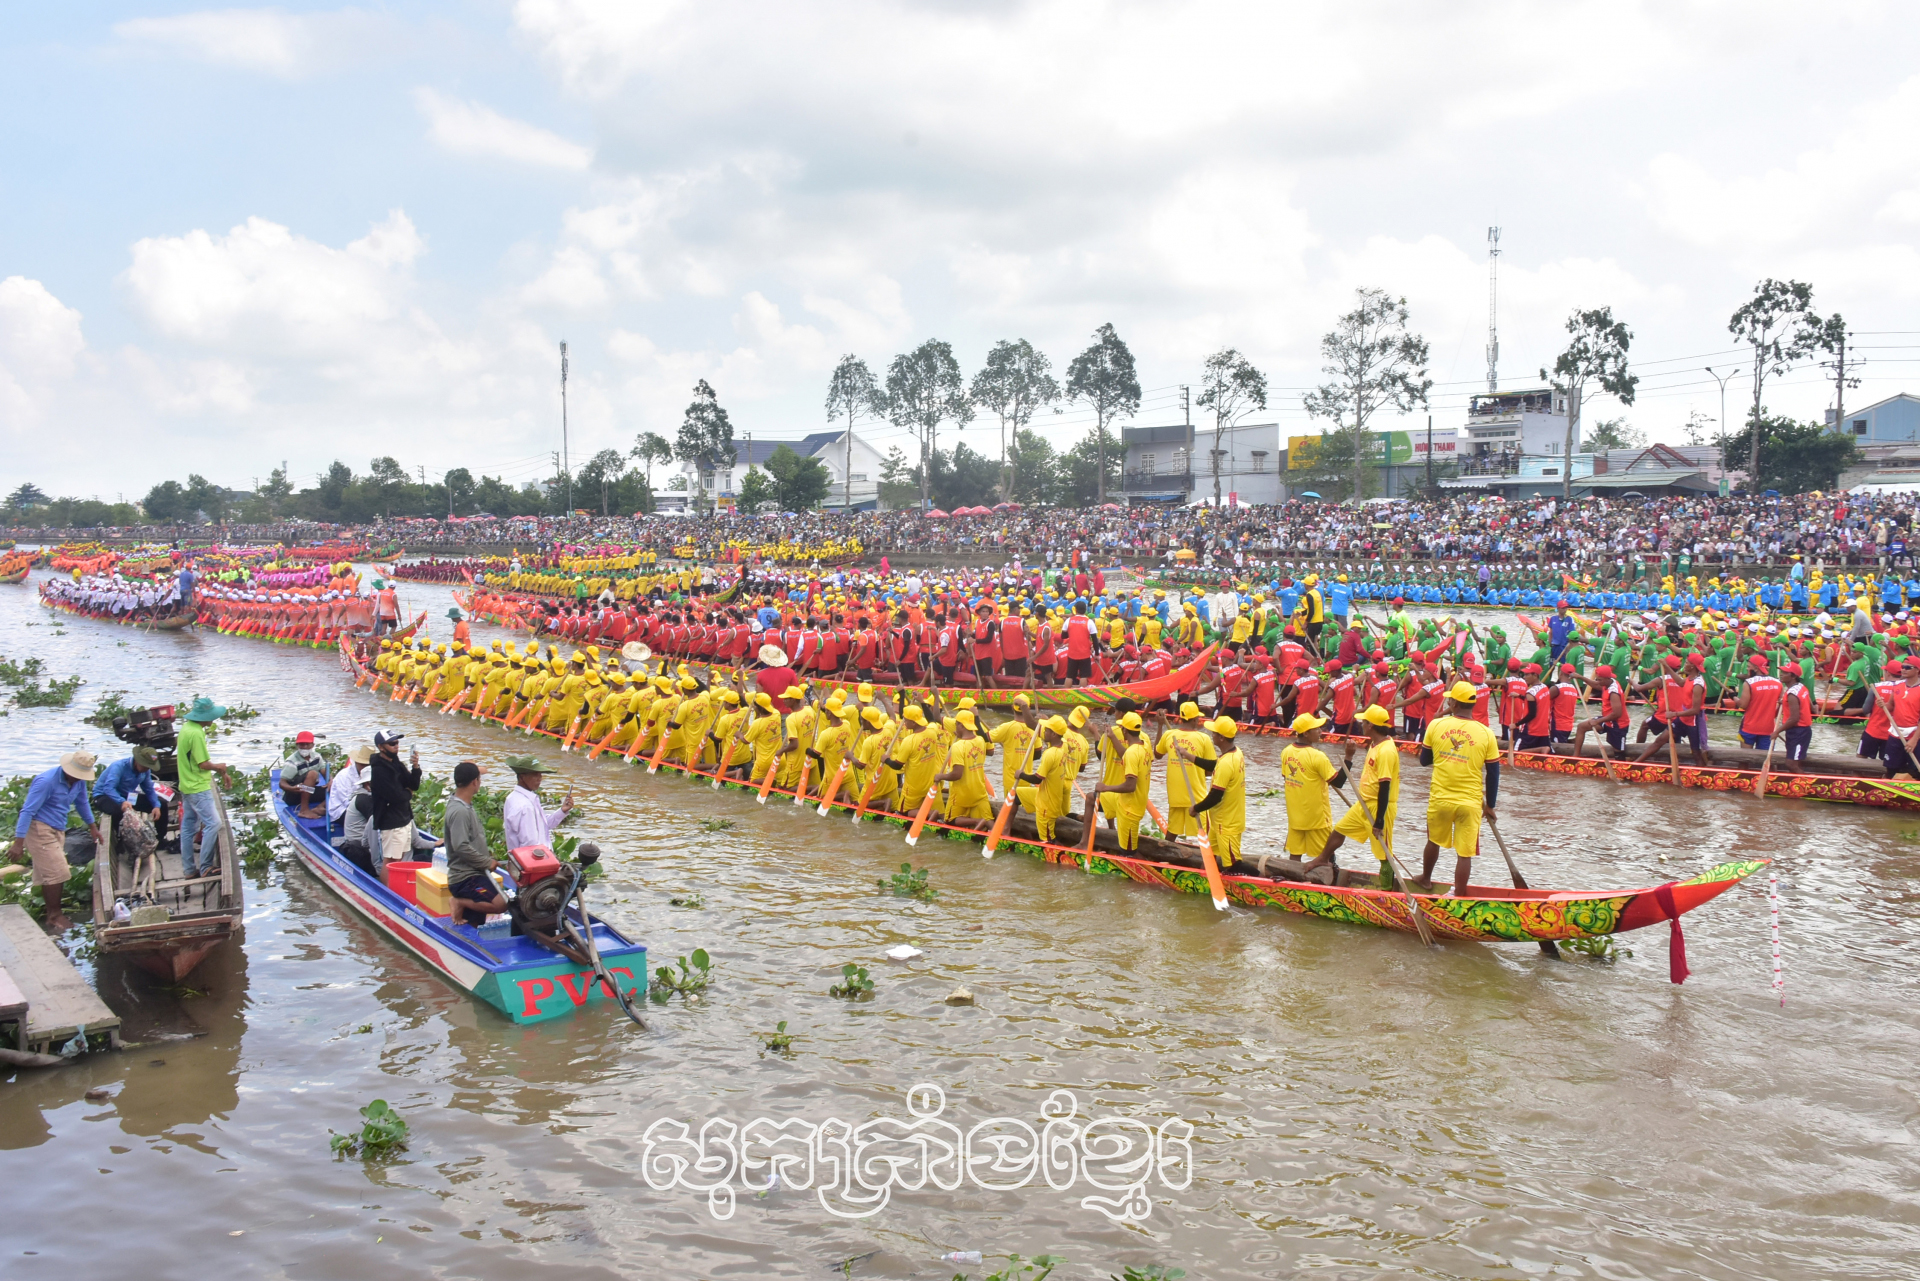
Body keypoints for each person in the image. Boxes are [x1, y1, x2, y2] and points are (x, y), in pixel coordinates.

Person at [1415, 682, 1502, 896]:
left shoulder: (1436, 725)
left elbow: (1424, 761)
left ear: (1453, 702)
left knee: (1433, 841)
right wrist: (1490, 806)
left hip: (1440, 799)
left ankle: (1425, 879)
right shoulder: (1487, 733)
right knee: (1465, 853)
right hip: (1471, 803)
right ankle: (1460, 894)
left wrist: (1445, 755)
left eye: (1449, 699)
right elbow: (1493, 774)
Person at [8, 753, 101, 932]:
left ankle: (51, 913)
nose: (79, 779)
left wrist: (92, 826)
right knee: (58, 871)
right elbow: (27, 811)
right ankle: (54, 915)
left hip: (58, 827)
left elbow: (82, 802)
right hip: (38, 827)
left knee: (48, 873)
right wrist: (18, 843)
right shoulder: (46, 781)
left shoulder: (79, 781)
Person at [1308, 704, 1399, 886]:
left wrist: (1379, 819)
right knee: (1339, 830)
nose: (1361, 725)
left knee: (1384, 853)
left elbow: (1385, 786)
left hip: (1378, 807)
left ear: (1370, 725)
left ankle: (1387, 891)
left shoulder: (1387, 750)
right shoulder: (1374, 745)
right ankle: (1322, 859)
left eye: (1363, 722)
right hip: (1363, 804)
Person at [1279, 713, 1345, 878]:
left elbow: (1287, 777)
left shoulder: (1286, 752)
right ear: (1306, 733)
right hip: (1317, 818)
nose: (1321, 731)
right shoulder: (1317, 756)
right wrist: (1349, 758)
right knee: (1327, 855)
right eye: (1317, 729)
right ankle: (1330, 884)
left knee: (1295, 854)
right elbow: (1339, 782)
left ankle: (1292, 880)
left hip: (1296, 816)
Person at [176, 696, 235, 878]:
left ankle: (188, 869)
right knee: (214, 823)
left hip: (185, 784)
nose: (213, 718)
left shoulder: (187, 728)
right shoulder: (196, 733)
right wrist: (220, 767)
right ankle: (206, 867)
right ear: (204, 716)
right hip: (197, 786)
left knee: (188, 827)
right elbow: (203, 764)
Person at [443, 761, 507, 926]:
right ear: (474, 782)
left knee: (474, 922)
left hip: (476, 873)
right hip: (465, 878)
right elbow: (461, 846)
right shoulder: (460, 811)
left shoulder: (464, 805)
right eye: (479, 779)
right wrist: (486, 862)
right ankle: (459, 902)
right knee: (501, 903)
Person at [1188, 716, 1246, 871]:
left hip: (1226, 824)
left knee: (1233, 865)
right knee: (1210, 855)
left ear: (1221, 737)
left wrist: (1196, 808)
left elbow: (1215, 796)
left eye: (1214, 733)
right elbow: (1214, 765)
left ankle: (1259, 878)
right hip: (1219, 822)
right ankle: (1203, 876)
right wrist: (1188, 756)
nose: (1212, 735)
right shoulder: (1236, 753)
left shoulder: (1226, 763)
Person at [93, 746, 167, 850]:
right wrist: (122, 801)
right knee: (119, 811)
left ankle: (160, 840)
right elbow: (108, 788)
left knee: (162, 804)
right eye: (145, 766)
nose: (147, 769)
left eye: (149, 767)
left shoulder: (145, 771)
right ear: (137, 761)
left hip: (126, 795)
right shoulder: (119, 766)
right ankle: (120, 841)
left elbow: (149, 789)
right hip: (104, 795)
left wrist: (156, 805)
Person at [369, 729, 422, 866]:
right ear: (381, 747)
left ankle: (392, 885)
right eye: (392, 743)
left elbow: (413, 784)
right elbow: (396, 796)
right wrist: (408, 793)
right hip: (391, 821)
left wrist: (415, 767)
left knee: (400, 857)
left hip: (404, 818)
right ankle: (386, 887)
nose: (396, 746)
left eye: (397, 742)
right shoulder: (379, 769)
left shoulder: (396, 763)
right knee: (391, 861)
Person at [503, 755, 574, 850]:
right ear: (522, 777)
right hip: (533, 862)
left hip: (522, 860)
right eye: (535, 774)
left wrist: (562, 811)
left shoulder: (513, 797)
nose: (539, 778)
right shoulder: (525, 806)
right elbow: (530, 845)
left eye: (540, 774)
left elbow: (543, 825)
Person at [281, 730, 327, 817]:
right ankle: (304, 810)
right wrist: (292, 788)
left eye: (307, 744)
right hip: (294, 794)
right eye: (302, 744)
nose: (305, 747)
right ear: (297, 745)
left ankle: (320, 807)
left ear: (312, 745)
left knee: (334, 788)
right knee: (313, 774)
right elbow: (282, 783)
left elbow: (324, 772)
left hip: (309, 791)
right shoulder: (292, 761)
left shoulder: (317, 757)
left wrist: (331, 781)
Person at [329, 744, 374, 826]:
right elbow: (346, 801)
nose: (365, 768)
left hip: (365, 806)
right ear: (356, 762)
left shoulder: (374, 772)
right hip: (342, 810)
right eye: (363, 765)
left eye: (368, 765)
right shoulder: (344, 776)